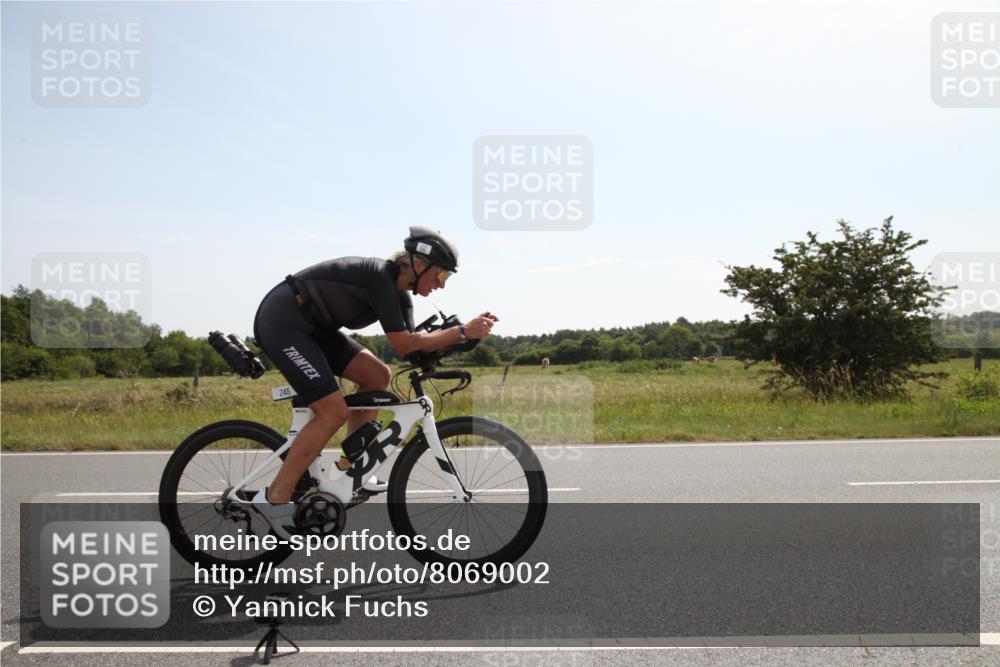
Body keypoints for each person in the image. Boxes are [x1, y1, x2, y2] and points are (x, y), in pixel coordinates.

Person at [248, 227, 498, 537]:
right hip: (285, 322)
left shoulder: (401, 297)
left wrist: (460, 339)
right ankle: (275, 498)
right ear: (418, 264)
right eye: (441, 276)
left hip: (315, 330)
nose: (440, 285)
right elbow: (406, 344)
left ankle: (348, 466)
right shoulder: (380, 278)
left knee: (378, 376)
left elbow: (410, 345)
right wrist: (462, 332)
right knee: (332, 411)